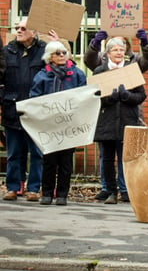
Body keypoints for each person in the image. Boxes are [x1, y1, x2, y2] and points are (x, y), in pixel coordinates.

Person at [86, 28, 148, 202]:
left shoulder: (131, 70)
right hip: (107, 122)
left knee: (126, 158)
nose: (119, 52)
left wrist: (127, 97)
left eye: (121, 49)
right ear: (108, 53)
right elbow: (94, 96)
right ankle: (110, 190)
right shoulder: (100, 71)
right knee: (107, 159)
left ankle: (126, 191)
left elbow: (142, 95)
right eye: (115, 50)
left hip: (127, 120)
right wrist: (109, 98)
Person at [1, 19, 58, 202]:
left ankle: (33, 189)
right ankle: (12, 187)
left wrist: (55, 45)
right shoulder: (7, 51)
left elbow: (57, 70)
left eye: (23, 28)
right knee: (14, 153)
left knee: (36, 153)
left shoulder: (44, 51)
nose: (18, 31)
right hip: (13, 107)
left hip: (36, 111)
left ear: (34, 32)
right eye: (17, 27)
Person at [30, 41, 87, 205]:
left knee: (65, 162)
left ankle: (62, 194)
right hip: (50, 126)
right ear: (50, 57)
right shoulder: (42, 75)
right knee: (49, 161)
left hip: (69, 125)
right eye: (57, 53)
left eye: (64, 53)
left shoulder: (77, 74)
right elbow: (35, 98)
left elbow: (83, 95)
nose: (62, 56)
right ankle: (47, 193)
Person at [84, 28, 148, 73]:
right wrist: (95, 45)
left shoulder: (134, 59)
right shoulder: (102, 58)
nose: (118, 47)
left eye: (122, 43)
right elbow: (89, 60)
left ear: (127, 45)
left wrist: (145, 44)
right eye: (114, 44)